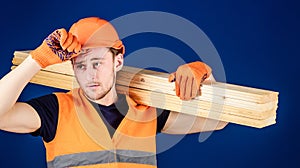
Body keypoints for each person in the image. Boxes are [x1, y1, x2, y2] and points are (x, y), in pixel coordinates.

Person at [0, 17, 227, 168]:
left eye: (97, 63)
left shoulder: (146, 112)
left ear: (118, 60)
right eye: (81, 66)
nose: (90, 75)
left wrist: (207, 76)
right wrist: (36, 61)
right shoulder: (56, 111)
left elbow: (216, 121)